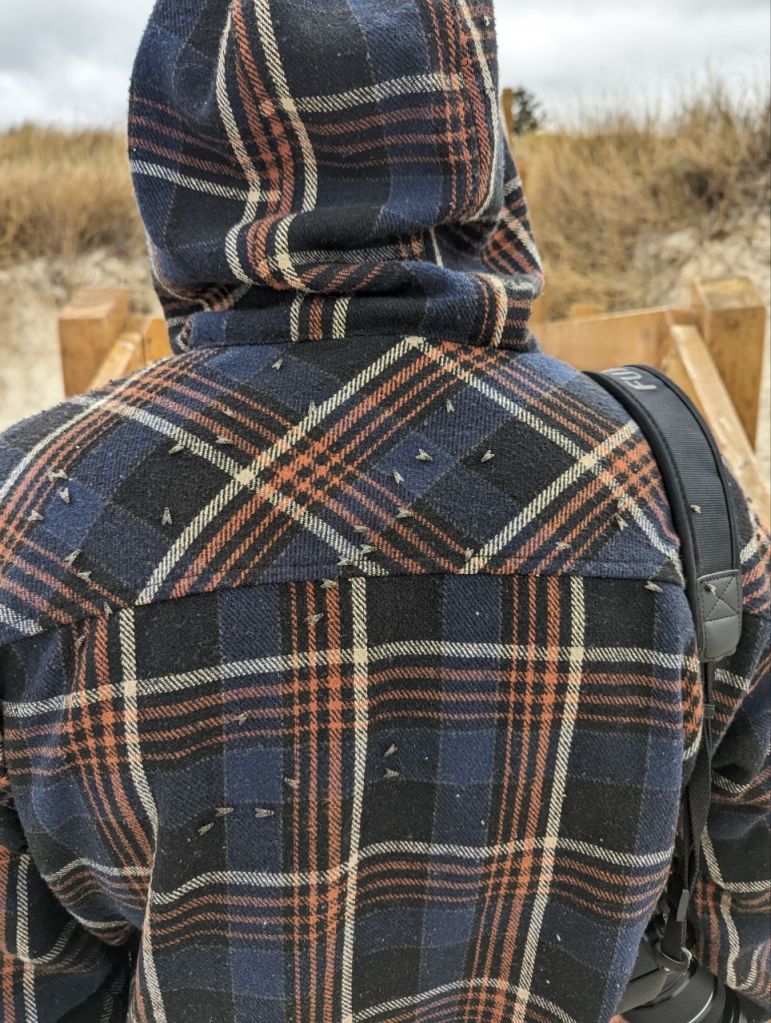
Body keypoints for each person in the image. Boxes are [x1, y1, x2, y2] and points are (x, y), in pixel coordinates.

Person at [0, 2, 768, 1020]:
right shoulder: (670, 482)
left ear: (173, 164)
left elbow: (30, 985)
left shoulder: (29, 521)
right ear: (478, 153)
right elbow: (743, 939)